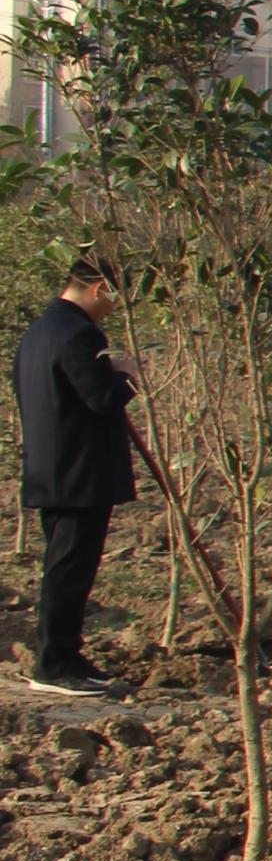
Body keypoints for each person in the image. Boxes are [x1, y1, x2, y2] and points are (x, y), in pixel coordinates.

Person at [15, 257, 135, 698]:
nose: (113, 308)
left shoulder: (40, 331)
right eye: (114, 296)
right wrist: (129, 377)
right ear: (100, 286)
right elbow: (101, 398)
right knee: (68, 571)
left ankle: (66, 654)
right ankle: (53, 664)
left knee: (65, 568)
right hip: (79, 474)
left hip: (54, 467)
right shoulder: (80, 334)